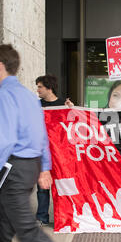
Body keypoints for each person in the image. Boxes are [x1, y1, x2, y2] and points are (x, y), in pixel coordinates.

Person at [0, 44, 88, 242]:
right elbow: (41, 135)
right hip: (29, 166)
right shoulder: (27, 95)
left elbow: (6, 140)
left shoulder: (3, 94)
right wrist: (44, 167)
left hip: (15, 168)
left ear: (0, 66)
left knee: (28, 232)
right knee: (4, 216)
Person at [35, 74, 73, 226]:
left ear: (49, 88)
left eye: (40, 87)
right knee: (42, 187)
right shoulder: (36, 105)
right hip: (42, 151)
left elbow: (73, 125)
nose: (37, 90)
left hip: (61, 152)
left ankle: (63, 216)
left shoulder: (63, 104)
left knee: (62, 185)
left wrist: (72, 110)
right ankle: (42, 217)